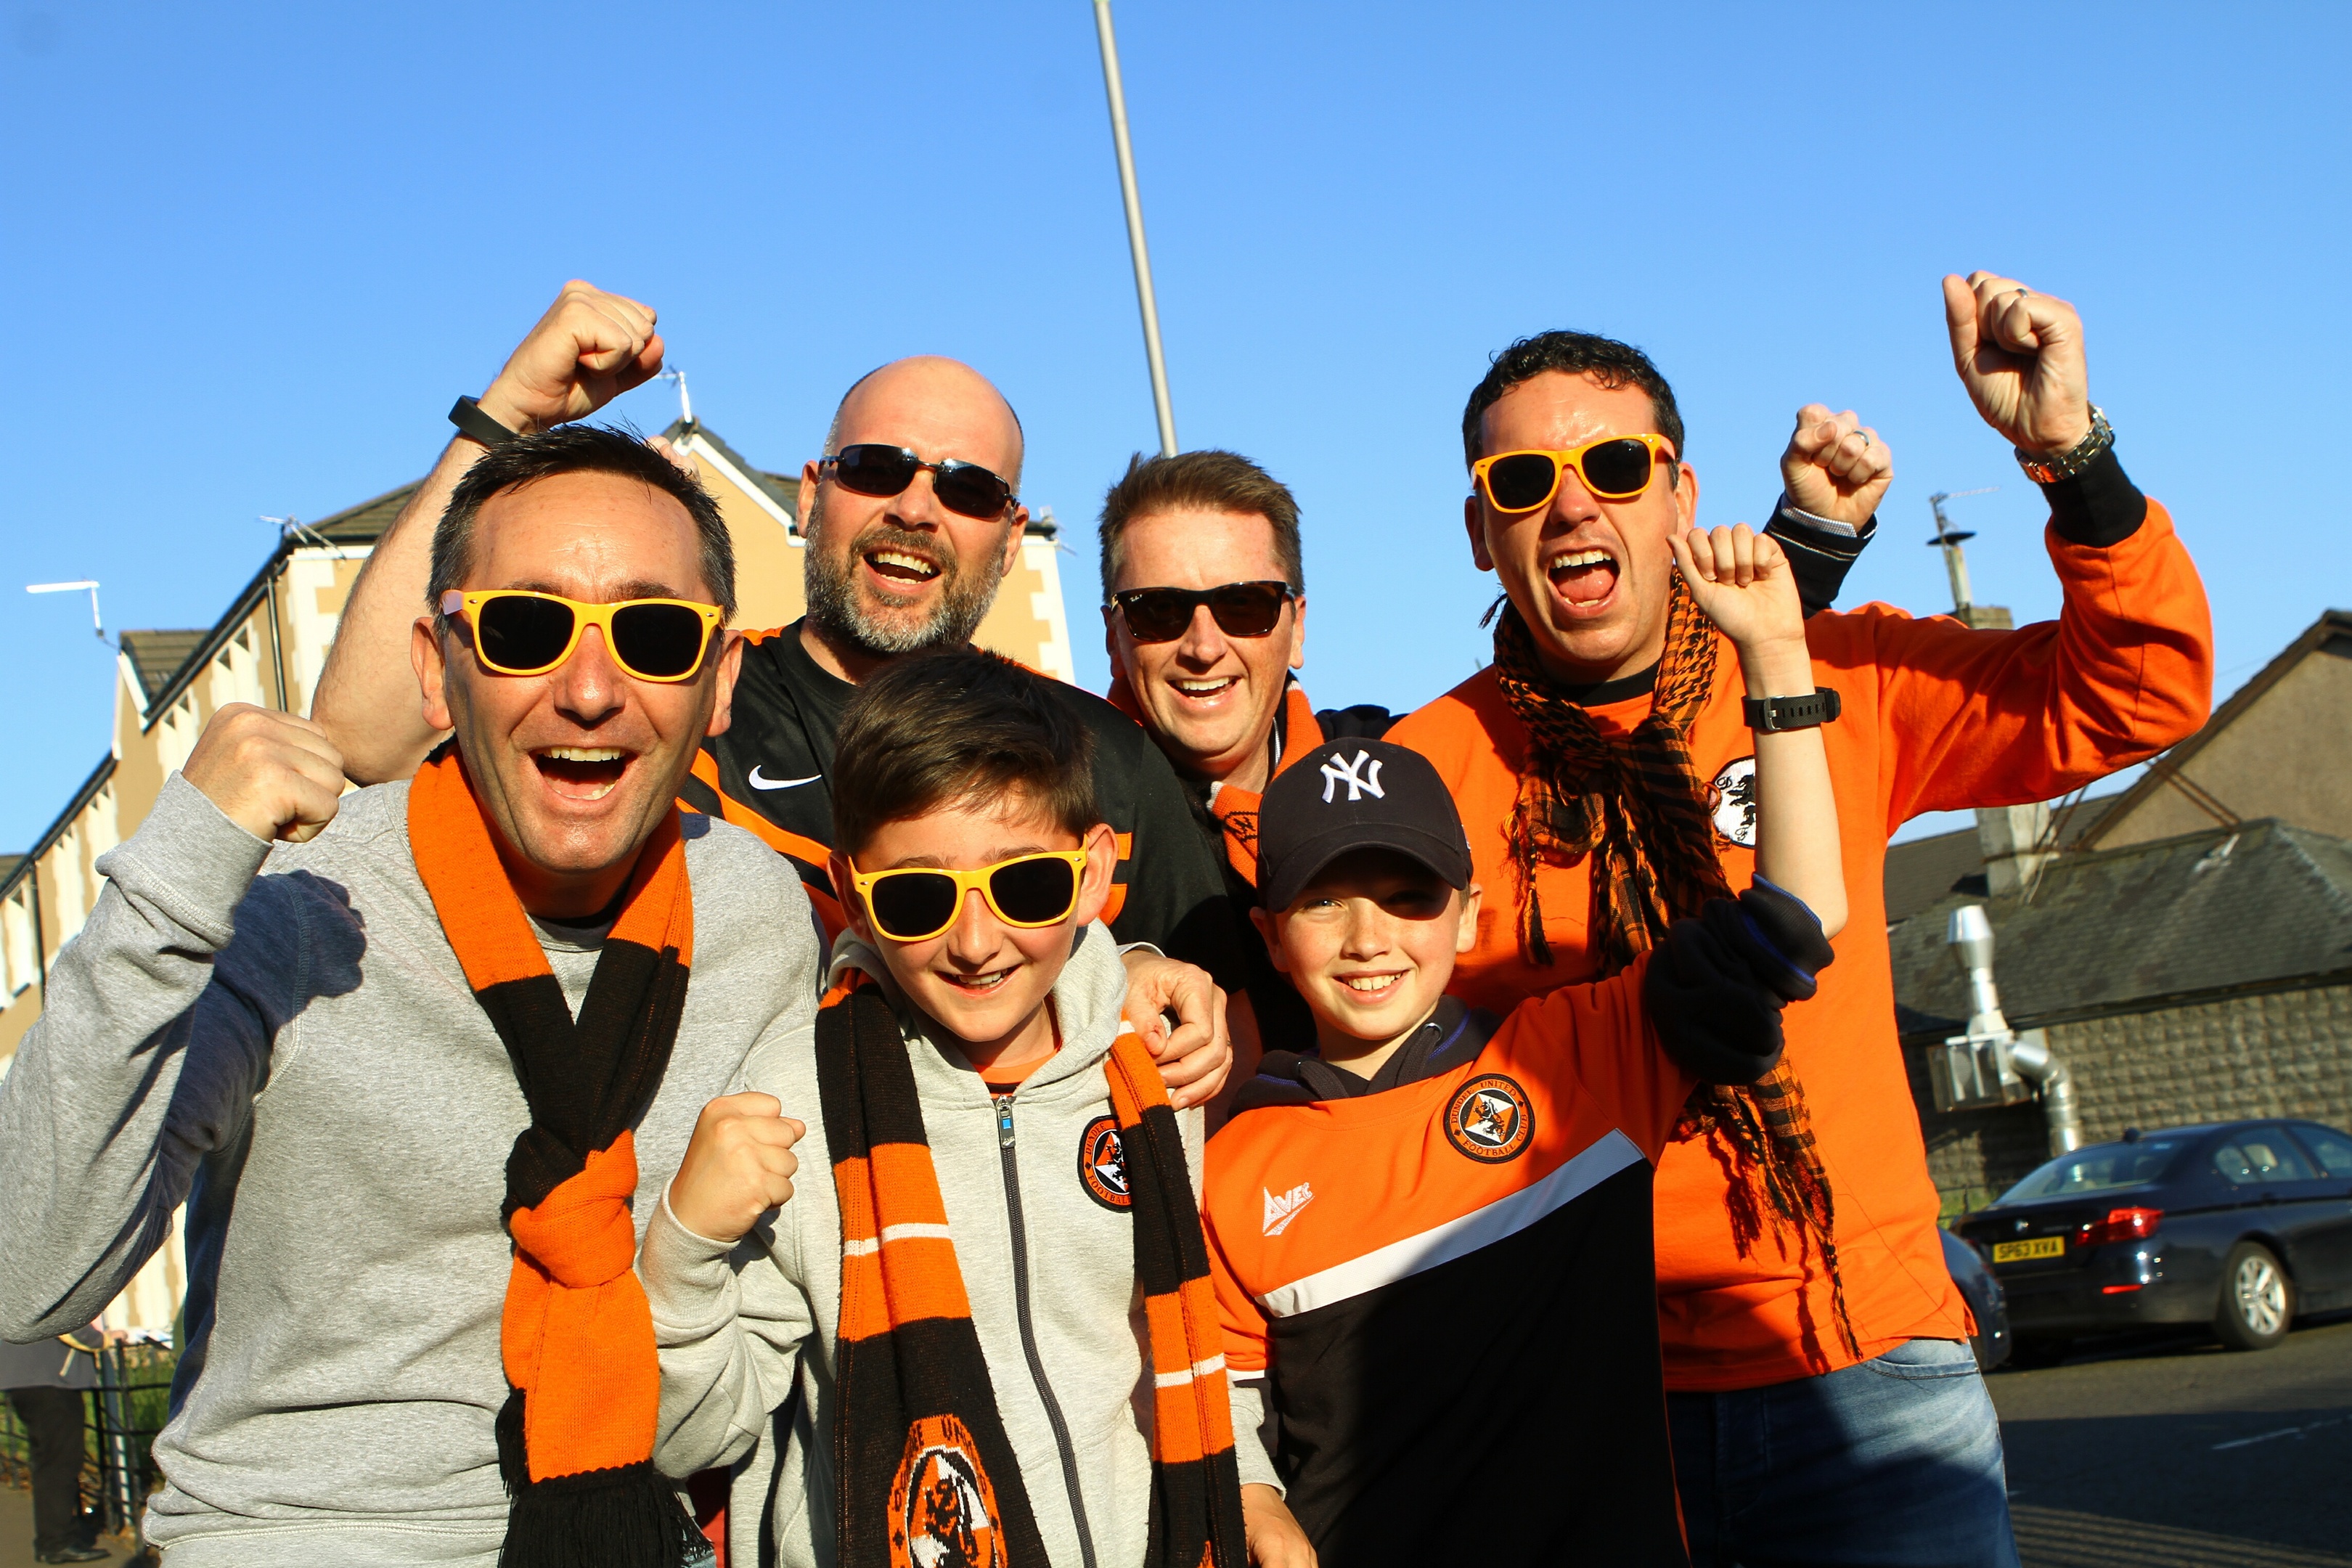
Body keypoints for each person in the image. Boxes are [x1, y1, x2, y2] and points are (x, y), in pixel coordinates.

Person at [1385, 273, 2214, 1565]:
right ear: (1480, 534)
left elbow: (2132, 698)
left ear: (1681, 499)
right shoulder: (1424, 775)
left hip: (1869, 1380)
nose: (1569, 506)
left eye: (1612, 462)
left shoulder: (1831, 677)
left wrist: (2067, 449)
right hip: (1589, 1410)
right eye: (1519, 483)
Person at [0, 426, 825, 1567]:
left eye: (653, 635)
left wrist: (1111, 975)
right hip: (297, 1536)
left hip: (645, 1524)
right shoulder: (294, 900)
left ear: (720, 682)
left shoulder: (755, 907)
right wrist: (178, 874)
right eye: (527, 629)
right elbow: (23, 1277)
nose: (589, 690)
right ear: (437, 669)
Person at [311, 287, 1241, 1112]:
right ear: (811, 494)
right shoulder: (673, 695)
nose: (916, 508)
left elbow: (1228, 1035)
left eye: (966, 489)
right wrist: (508, 416)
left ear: (1008, 539)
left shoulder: (1104, 758)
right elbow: (364, 739)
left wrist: (1157, 981)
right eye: (878, 469)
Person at [1209, 518, 1845, 1567]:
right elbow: (1222, 1400)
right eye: (1326, 903)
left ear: (1467, 916)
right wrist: (1257, 1505)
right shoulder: (1231, 1168)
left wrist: (1776, 657)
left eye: (1407, 898)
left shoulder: (1580, 1055)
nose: (1369, 939)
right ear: (1272, 936)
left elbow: (1796, 919)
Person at [642, 649, 1257, 1568]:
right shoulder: (797, 1105)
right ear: (854, 891)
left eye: (1025, 885)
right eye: (920, 896)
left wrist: (1254, 1487)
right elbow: (693, 1441)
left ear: (1091, 874)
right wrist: (682, 1249)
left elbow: (1176, 1340)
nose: (975, 942)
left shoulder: (1150, 1067)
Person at [1095, 444, 1879, 1093]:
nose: (1203, 644)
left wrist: (1796, 579)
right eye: (1158, 611)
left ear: (1296, 628)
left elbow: (1625, 718)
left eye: (1244, 605)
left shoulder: (1409, 768)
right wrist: (1106, 967)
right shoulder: (1043, 819)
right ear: (1113, 637)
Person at [1, 1327, 107, 1563]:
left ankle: (53, 1540)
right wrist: (104, 1339)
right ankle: (57, 1543)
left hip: (23, 1376)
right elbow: (68, 1320)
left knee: (48, 1460)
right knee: (61, 1463)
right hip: (51, 1377)